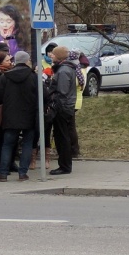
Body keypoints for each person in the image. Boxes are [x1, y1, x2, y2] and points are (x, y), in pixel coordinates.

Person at [0, 51, 38, 182]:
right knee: (27, 144)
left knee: (7, 144)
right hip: (29, 116)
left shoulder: (5, 77)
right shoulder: (33, 76)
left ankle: (3, 174)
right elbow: (43, 95)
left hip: (10, 115)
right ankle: (23, 173)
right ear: (26, 61)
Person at [47, 46, 77, 175]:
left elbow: (62, 91)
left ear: (59, 56)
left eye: (53, 54)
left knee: (62, 137)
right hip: (65, 106)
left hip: (62, 108)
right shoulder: (64, 69)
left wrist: (53, 100)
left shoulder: (63, 71)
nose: (51, 56)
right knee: (62, 136)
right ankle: (64, 164)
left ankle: (64, 166)